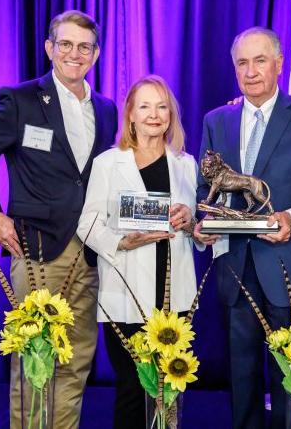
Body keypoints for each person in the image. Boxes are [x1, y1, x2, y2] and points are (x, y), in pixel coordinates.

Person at [0, 10, 118, 428]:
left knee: (76, 361)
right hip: (38, 251)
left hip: (90, 253)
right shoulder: (22, 100)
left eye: (84, 47)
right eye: (64, 44)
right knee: (34, 362)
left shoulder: (107, 110)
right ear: (50, 48)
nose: (74, 53)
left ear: (96, 54)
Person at [195, 27, 291, 429]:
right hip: (237, 271)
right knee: (241, 380)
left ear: (279, 64)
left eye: (260, 60)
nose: (251, 71)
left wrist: (290, 218)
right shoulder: (216, 120)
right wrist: (201, 225)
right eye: (242, 62)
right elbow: (203, 189)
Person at [77, 75, 200, 428]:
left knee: (169, 389)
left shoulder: (186, 165)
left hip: (173, 296)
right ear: (130, 113)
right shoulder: (107, 163)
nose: (154, 114)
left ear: (171, 115)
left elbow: (198, 233)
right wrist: (120, 241)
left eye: (162, 107)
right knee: (132, 388)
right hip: (125, 293)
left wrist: (191, 221)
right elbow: (86, 223)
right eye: (144, 106)